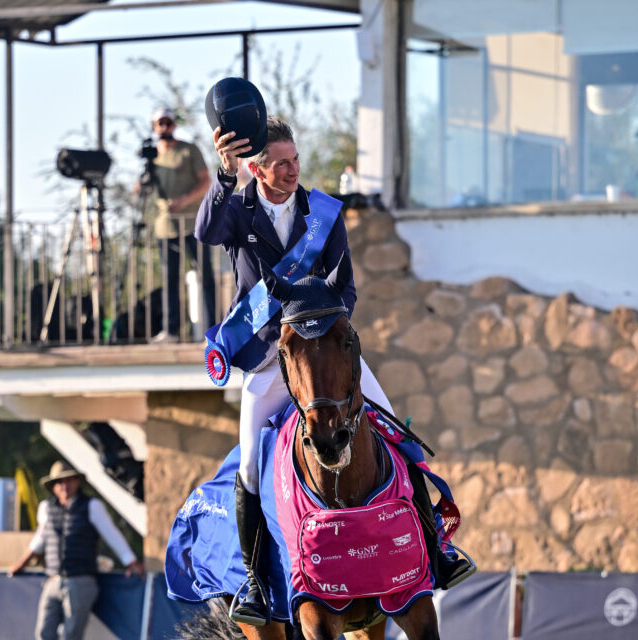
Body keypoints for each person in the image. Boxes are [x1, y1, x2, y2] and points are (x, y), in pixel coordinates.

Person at [197, 110, 472, 625]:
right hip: (266, 359)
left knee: (397, 434)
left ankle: (436, 550)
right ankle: (257, 584)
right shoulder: (236, 210)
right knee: (250, 468)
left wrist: (319, 322)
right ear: (257, 169)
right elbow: (206, 230)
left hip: (323, 350)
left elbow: (344, 288)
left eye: (294, 160)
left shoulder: (321, 212)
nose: (291, 170)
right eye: (279, 164)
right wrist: (223, 173)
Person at [8, 461, 145, 640]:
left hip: (80, 580)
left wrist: (131, 561)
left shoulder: (91, 506)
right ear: (54, 487)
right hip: (53, 579)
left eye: (69, 480)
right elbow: (39, 540)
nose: (65, 485)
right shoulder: (47, 508)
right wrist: (20, 565)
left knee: (71, 635)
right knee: (43, 633)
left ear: (77, 482)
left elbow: (112, 535)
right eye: (60, 482)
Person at [142, 107, 217, 342]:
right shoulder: (152, 156)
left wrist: (184, 201)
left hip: (193, 223)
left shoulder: (188, 150)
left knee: (205, 275)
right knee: (169, 278)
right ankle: (171, 330)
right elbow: (142, 188)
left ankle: (212, 329)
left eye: (167, 122)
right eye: (159, 123)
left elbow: (206, 182)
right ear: (154, 126)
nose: (164, 127)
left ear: (174, 124)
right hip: (164, 226)